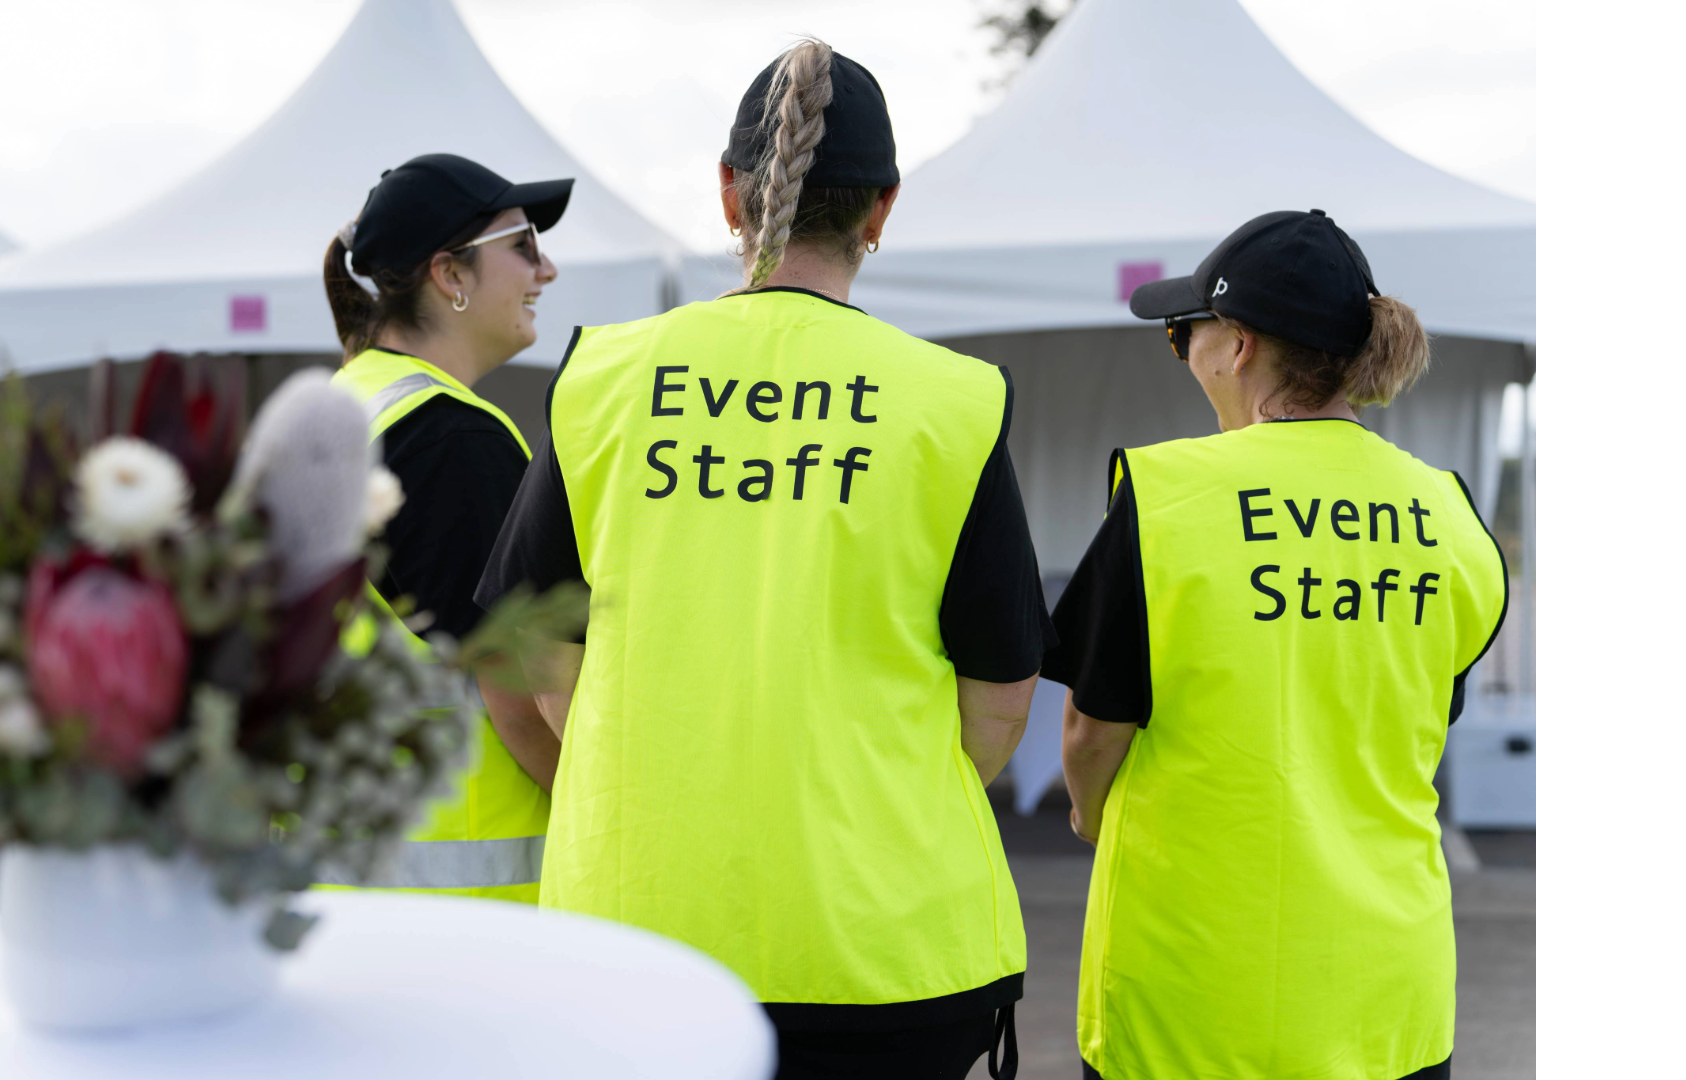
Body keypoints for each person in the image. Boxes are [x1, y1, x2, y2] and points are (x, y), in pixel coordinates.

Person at [478, 40, 1047, 1080]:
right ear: (881, 210)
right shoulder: (950, 401)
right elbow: (1000, 698)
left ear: (731, 195)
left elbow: (525, 656)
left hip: (639, 938)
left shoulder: (605, 376)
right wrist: (875, 800)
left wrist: (636, 775)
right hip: (885, 956)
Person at [1043, 209, 1508, 1080]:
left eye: (1183, 335)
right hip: (1386, 1000)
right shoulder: (1448, 515)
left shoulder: (1169, 496)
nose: (1184, 354)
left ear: (1241, 345)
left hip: (1194, 994)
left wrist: (1089, 813)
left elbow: (1090, 733)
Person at [323, 153, 568, 902]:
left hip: (352, 886)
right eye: (523, 243)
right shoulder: (448, 438)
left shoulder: (343, 410)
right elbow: (521, 697)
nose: (546, 269)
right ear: (450, 275)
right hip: (466, 921)